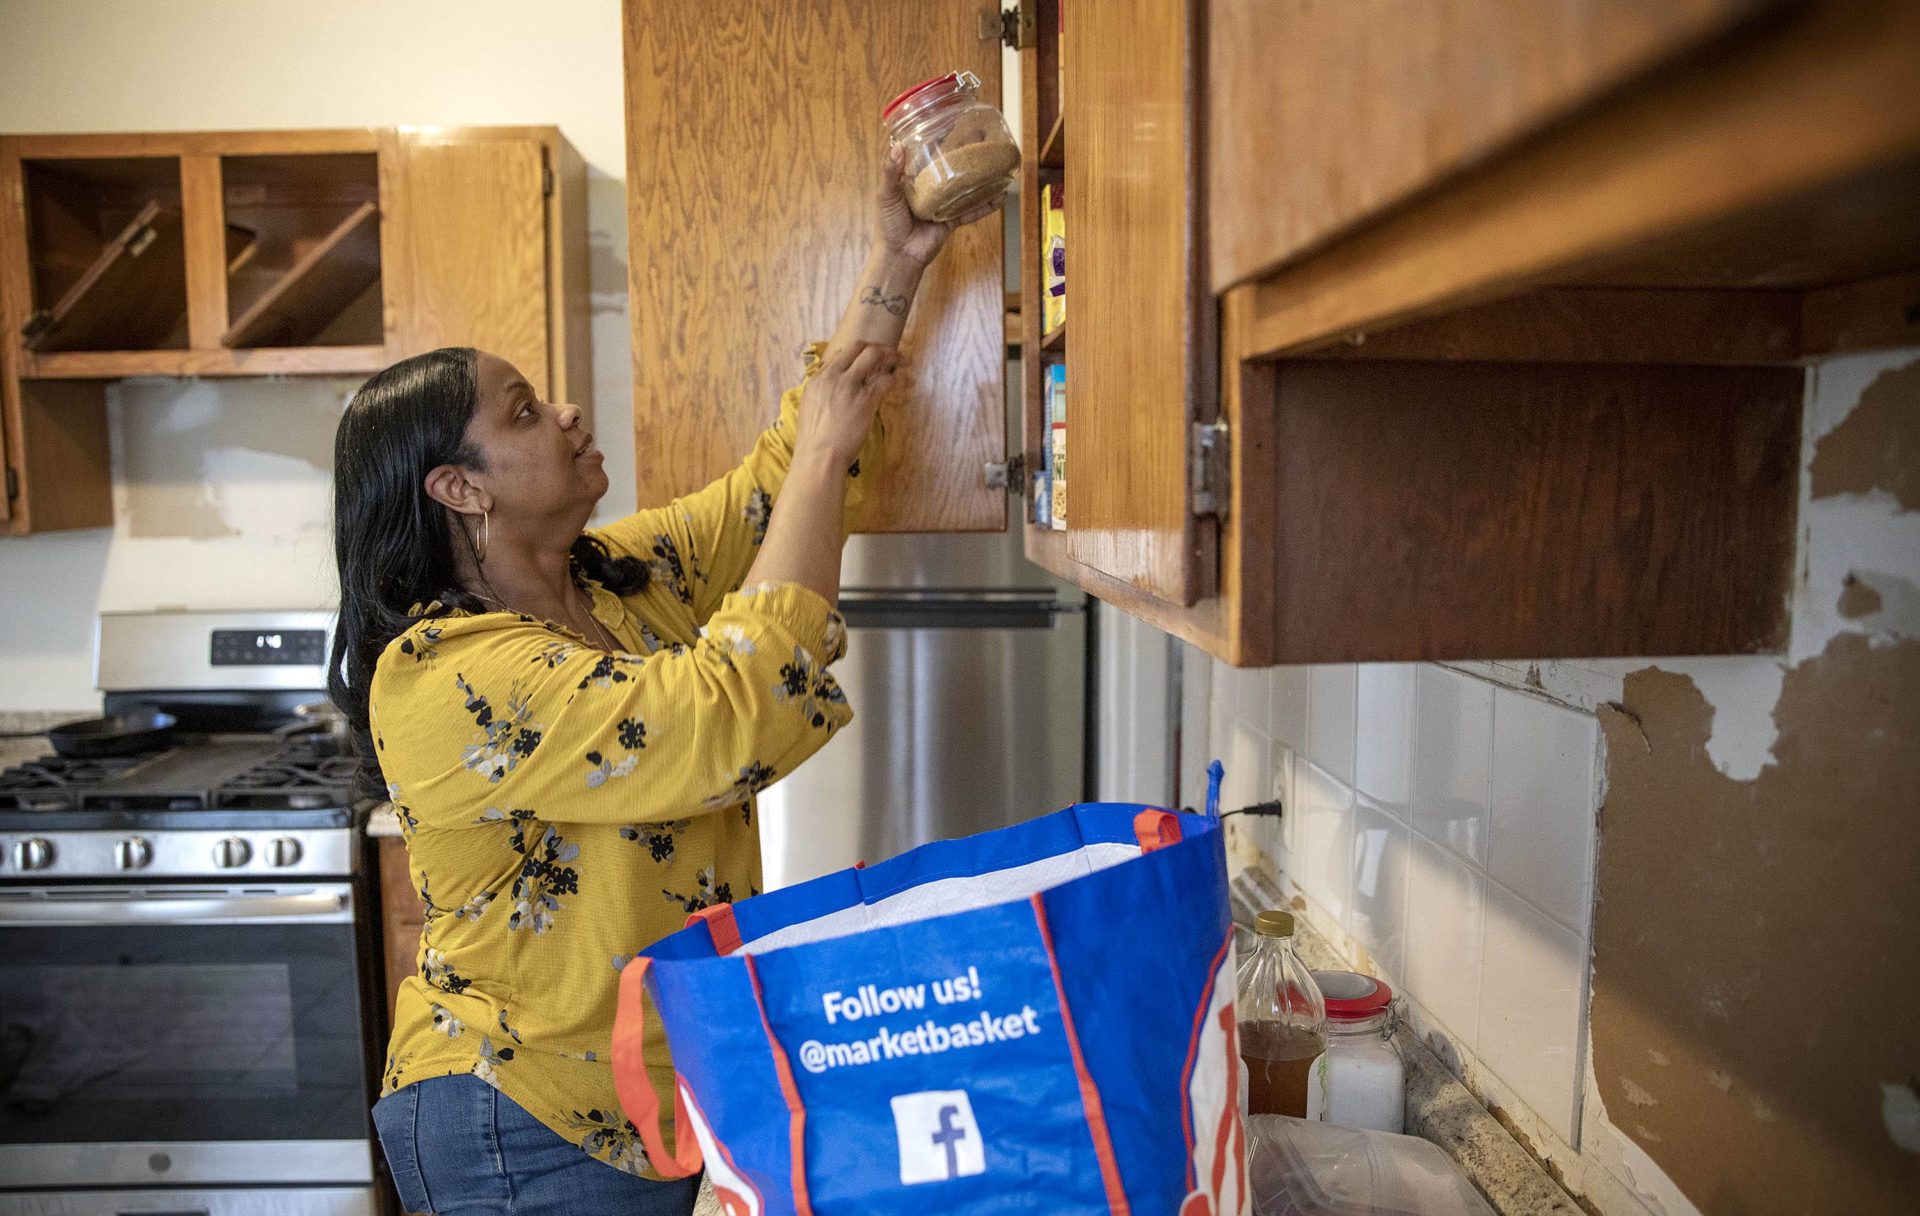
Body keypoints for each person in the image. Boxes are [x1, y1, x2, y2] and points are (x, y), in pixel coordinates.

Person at [328, 149, 999, 1214]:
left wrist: (898, 261)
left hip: (651, 1089)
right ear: (459, 489)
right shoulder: (443, 674)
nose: (565, 413)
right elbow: (719, 720)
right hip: (520, 1115)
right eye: (521, 414)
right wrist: (822, 459)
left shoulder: (618, 578)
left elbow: (789, 466)